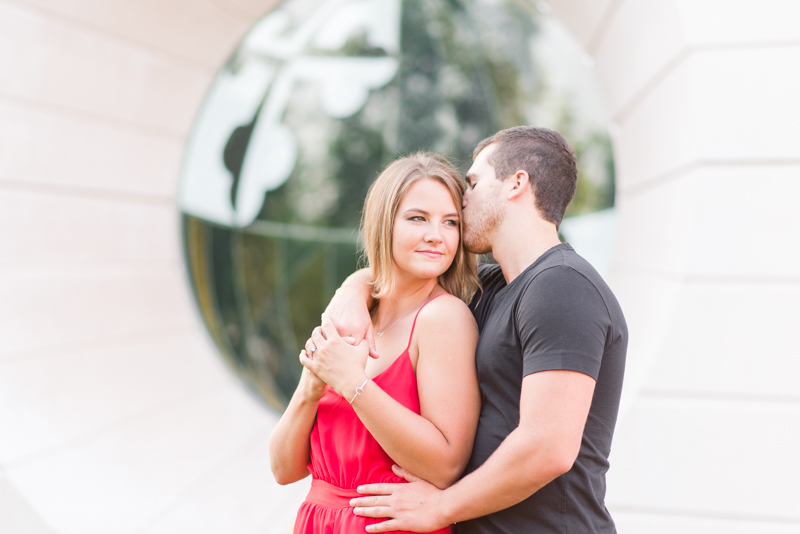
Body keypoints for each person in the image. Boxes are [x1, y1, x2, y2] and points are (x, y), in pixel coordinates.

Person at [325, 126, 628, 533]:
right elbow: (404, 279)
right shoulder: (491, 287)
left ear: (516, 184)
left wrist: (442, 507)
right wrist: (353, 290)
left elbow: (548, 448)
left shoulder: (563, 287)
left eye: (473, 182)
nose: (463, 199)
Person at [268, 153, 482, 533]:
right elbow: (284, 470)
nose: (437, 235)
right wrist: (310, 387)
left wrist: (352, 383)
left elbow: (446, 465)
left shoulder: (443, 318)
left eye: (450, 222)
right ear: (385, 224)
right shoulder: (352, 314)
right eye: (418, 218)